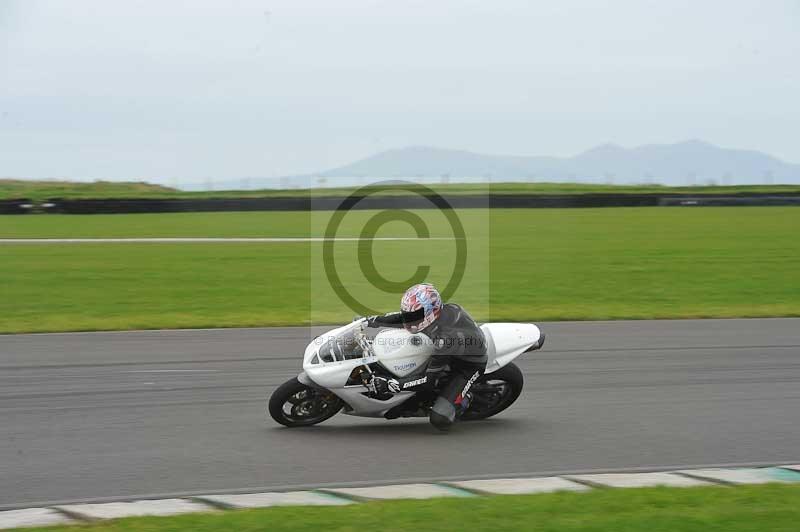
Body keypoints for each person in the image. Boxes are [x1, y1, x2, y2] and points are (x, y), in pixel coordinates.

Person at [365, 283, 487, 431]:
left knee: (440, 419)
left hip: (468, 365)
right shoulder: (434, 315)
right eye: (408, 314)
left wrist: (391, 384)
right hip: (451, 350)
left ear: (430, 313)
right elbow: (402, 318)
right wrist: (371, 321)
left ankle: (466, 399)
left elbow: (428, 381)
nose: (409, 320)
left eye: (414, 316)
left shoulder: (445, 340)